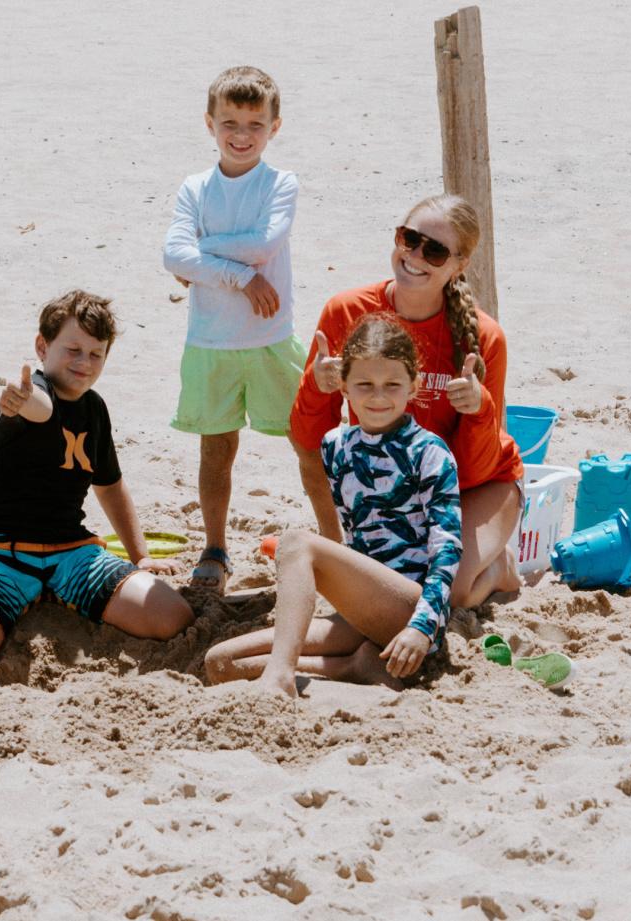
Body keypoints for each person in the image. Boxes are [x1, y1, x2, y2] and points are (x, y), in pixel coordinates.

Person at [0, 290, 194, 669]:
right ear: (42, 347)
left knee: (172, 617)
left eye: (96, 354)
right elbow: (42, 408)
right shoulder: (35, 392)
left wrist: (141, 557)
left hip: (71, 552)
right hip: (1, 552)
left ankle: (58, 594)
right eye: (73, 350)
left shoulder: (95, 409)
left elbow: (110, 485)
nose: (84, 362)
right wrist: (21, 397)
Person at [205, 317, 461, 695]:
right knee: (222, 662)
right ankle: (355, 666)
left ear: (414, 385)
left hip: (412, 611)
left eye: (392, 385)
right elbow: (356, 540)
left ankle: (280, 677)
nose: (378, 397)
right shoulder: (336, 446)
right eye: (365, 384)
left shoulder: (429, 452)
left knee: (296, 542)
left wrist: (422, 627)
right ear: (343, 386)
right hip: (363, 613)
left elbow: (447, 550)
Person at [290, 193, 522, 609]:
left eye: (434, 251)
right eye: (409, 239)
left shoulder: (485, 337)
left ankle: (499, 567)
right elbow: (309, 443)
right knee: (381, 591)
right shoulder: (346, 311)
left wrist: (479, 408)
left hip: (475, 487)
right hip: (387, 485)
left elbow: (477, 468)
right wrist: (316, 384)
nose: (414, 256)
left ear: (459, 265)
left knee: (450, 594)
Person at [162, 65, 307, 594]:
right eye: (230, 123)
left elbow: (264, 243)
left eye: (254, 124)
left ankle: (338, 541)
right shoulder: (195, 188)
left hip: (271, 338)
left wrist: (201, 254)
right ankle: (215, 546)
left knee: (308, 442)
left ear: (274, 127)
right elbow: (171, 256)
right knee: (216, 449)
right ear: (210, 123)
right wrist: (240, 276)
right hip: (211, 342)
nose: (241, 135)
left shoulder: (280, 183)